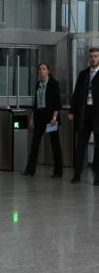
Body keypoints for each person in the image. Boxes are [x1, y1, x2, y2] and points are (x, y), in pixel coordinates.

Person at [22, 62, 62, 178]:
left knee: (55, 144)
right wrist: (32, 117)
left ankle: (58, 171)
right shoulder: (38, 84)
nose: (41, 71)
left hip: (51, 118)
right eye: (40, 69)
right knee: (35, 143)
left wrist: (54, 118)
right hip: (40, 116)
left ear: (48, 71)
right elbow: (36, 103)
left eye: (44, 69)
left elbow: (57, 103)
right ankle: (30, 170)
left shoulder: (54, 84)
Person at [68, 47, 99, 184]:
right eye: (91, 56)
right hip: (85, 113)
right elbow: (76, 95)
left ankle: (97, 176)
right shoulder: (83, 74)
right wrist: (72, 111)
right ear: (88, 58)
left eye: (96, 56)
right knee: (80, 144)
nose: (93, 59)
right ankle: (77, 174)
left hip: (97, 114)